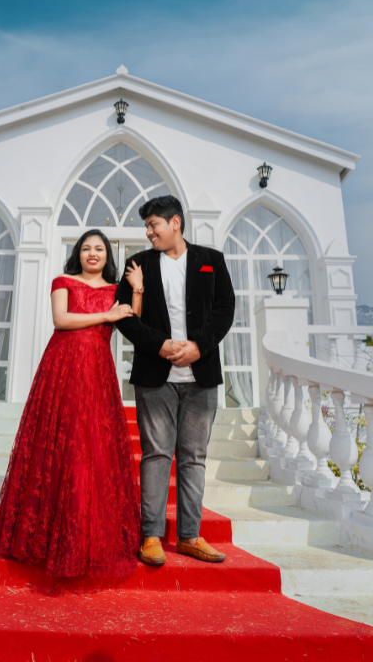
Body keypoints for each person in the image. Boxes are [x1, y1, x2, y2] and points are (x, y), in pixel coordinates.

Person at [0, 229, 141, 577]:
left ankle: (88, 538)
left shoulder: (116, 290)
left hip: (97, 371)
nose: (92, 253)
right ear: (78, 253)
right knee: (59, 443)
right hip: (63, 367)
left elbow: (131, 321)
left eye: (99, 249)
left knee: (92, 447)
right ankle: (44, 538)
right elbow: (61, 320)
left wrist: (137, 289)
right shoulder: (63, 281)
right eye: (86, 248)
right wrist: (106, 316)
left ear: (107, 256)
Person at [115, 195, 235, 567]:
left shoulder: (211, 260)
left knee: (194, 457)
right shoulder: (137, 264)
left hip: (201, 375)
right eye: (147, 227)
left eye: (153, 225)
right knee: (156, 454)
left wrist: (199, 346)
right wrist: (161, 345)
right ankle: (150, 536)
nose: (148, 232)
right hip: (155, 376)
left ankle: (189, 536)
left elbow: (225, 309)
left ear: (175, 223)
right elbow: (124, 316)